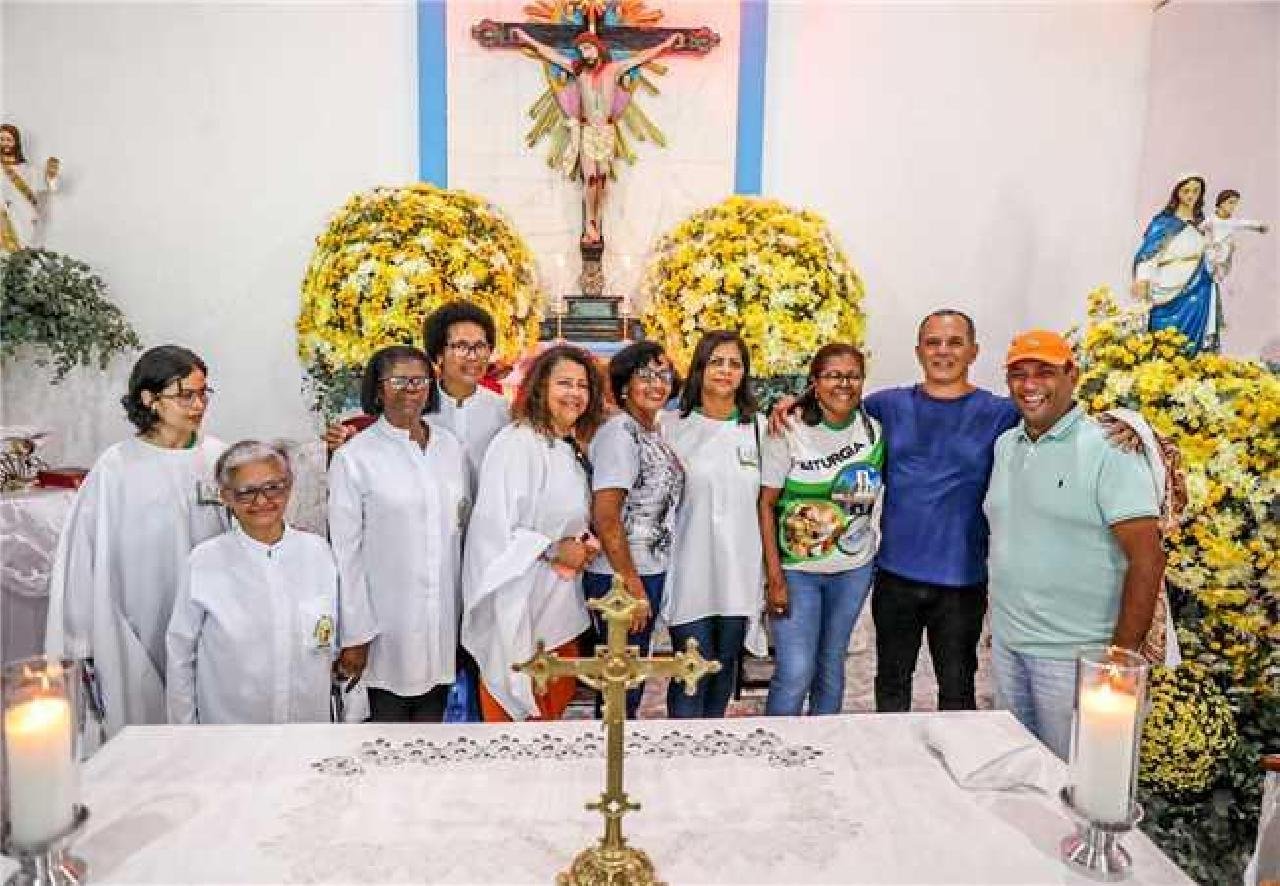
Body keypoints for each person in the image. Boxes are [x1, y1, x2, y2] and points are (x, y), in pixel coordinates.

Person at [985, 330, 1164, 760]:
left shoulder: (1109, 448)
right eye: (1018, 374)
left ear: (1072, 376)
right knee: (1022, 777)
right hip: (1010, 646)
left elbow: (1148, 558)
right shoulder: (1006, 445)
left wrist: (1120, 660)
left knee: (1079, 782)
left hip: (1076, 658)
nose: (1029, 386)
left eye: (1044, 373)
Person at [45, 346, 226, 739]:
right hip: (136, 626)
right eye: (186, 395)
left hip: (209, 622)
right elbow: (83, 556)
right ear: (150, 399)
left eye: (203, 393)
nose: (198, 405)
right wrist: (79, 642)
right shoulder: (117, 467)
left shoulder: (217, 458)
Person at [461, 345, 605, 722]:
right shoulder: (517, 443)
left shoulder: (565, 446)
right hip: (520, 610)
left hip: (557, 606)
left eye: (582, 385)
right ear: (540, 388)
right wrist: (553, 549)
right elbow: (494, 530)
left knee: (550, 723)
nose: (574, 393)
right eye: (564, 383)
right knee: (516, 734)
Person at [328, 345, 470, 723]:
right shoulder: (354, 457)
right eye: (399, 380)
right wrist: (355, 634)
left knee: (432, 730)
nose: (411, 389)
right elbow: (346, 553)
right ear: (377, 389)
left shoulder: (450, 448)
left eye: (420, 380)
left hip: (440, 620)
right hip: (384, 628)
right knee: (385, 738)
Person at [166, 441, 345, 724]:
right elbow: (180, 656)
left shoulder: (318, 553)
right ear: (226, 496)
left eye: (273, 487)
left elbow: (332, 640)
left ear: (289, 487)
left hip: (308, 727)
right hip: (230, 733)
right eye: (247, 492)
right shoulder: (205, 562)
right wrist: (186, 733)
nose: (262, 501)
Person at [759, 344, 883, 716]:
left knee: (831, 667)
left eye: (852, 375)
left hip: (853, 570)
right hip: (798, 572)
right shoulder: (788, 428)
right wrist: (775, 577)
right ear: (814, 382)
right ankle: (776, 754)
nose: (843, 383)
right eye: (832, 375)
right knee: (796, 670)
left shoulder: (873, 429)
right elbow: (765, 505)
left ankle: (824, 751)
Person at [663, 330, 767, 718]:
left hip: (738, 569)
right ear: (700, 368)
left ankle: (712, 751)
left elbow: (766, 503)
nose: (725, 371)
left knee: (723, 668)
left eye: (734, 363)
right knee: (690, 668)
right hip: (690, 566)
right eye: (716, 362)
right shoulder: (671, 425)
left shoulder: (757, 429)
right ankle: (679, 754)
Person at [585, 341, 685, 718]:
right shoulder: (619, 434)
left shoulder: (649, 430)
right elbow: (606, 516)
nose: (657, 383)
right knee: (619, 681)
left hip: (645, 568)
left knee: (630, 677)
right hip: (621, 578)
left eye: (663, 374)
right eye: (645, 375)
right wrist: (633, 585)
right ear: (624, 385)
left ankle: (619, 755)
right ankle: (608, 764)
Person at [511, 28, 679, 246]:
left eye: (588, 48)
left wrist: (666, 44)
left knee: (602, 179)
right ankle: (589, 220)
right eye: (581, 50)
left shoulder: (614, 69)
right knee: (590, 178)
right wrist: (527, 39)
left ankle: (597, 223)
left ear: (598, 48)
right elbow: (550, 55)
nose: (585, 53)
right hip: (588, 131)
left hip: (606, 131)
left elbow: (642, 57)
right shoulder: (578, 71)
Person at [325, 301, 510, 485]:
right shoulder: (411, 402)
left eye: (480, 346)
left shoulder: (506, 412)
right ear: (438, 355)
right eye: (461, 347)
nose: (473, 356)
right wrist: (349, 441)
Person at [1132, 174, 1217, 353]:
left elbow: (1212, 254)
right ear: (1177, 193)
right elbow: (1148, 255)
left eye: (1196, 191)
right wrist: (1142, 279)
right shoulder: (1163, 223)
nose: (1191, 195)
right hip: (1166, 285)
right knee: (1163, 338)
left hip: (1198, 286)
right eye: (1186, 190)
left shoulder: (1203, 225)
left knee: (1191, 342)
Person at [0, 123, 59, 252]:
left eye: (9, 140)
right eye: (2, 139)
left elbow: (48, 188)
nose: (5, 143)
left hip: (22, 218)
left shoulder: (28, 169)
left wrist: (51, 176)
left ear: (16, 142)